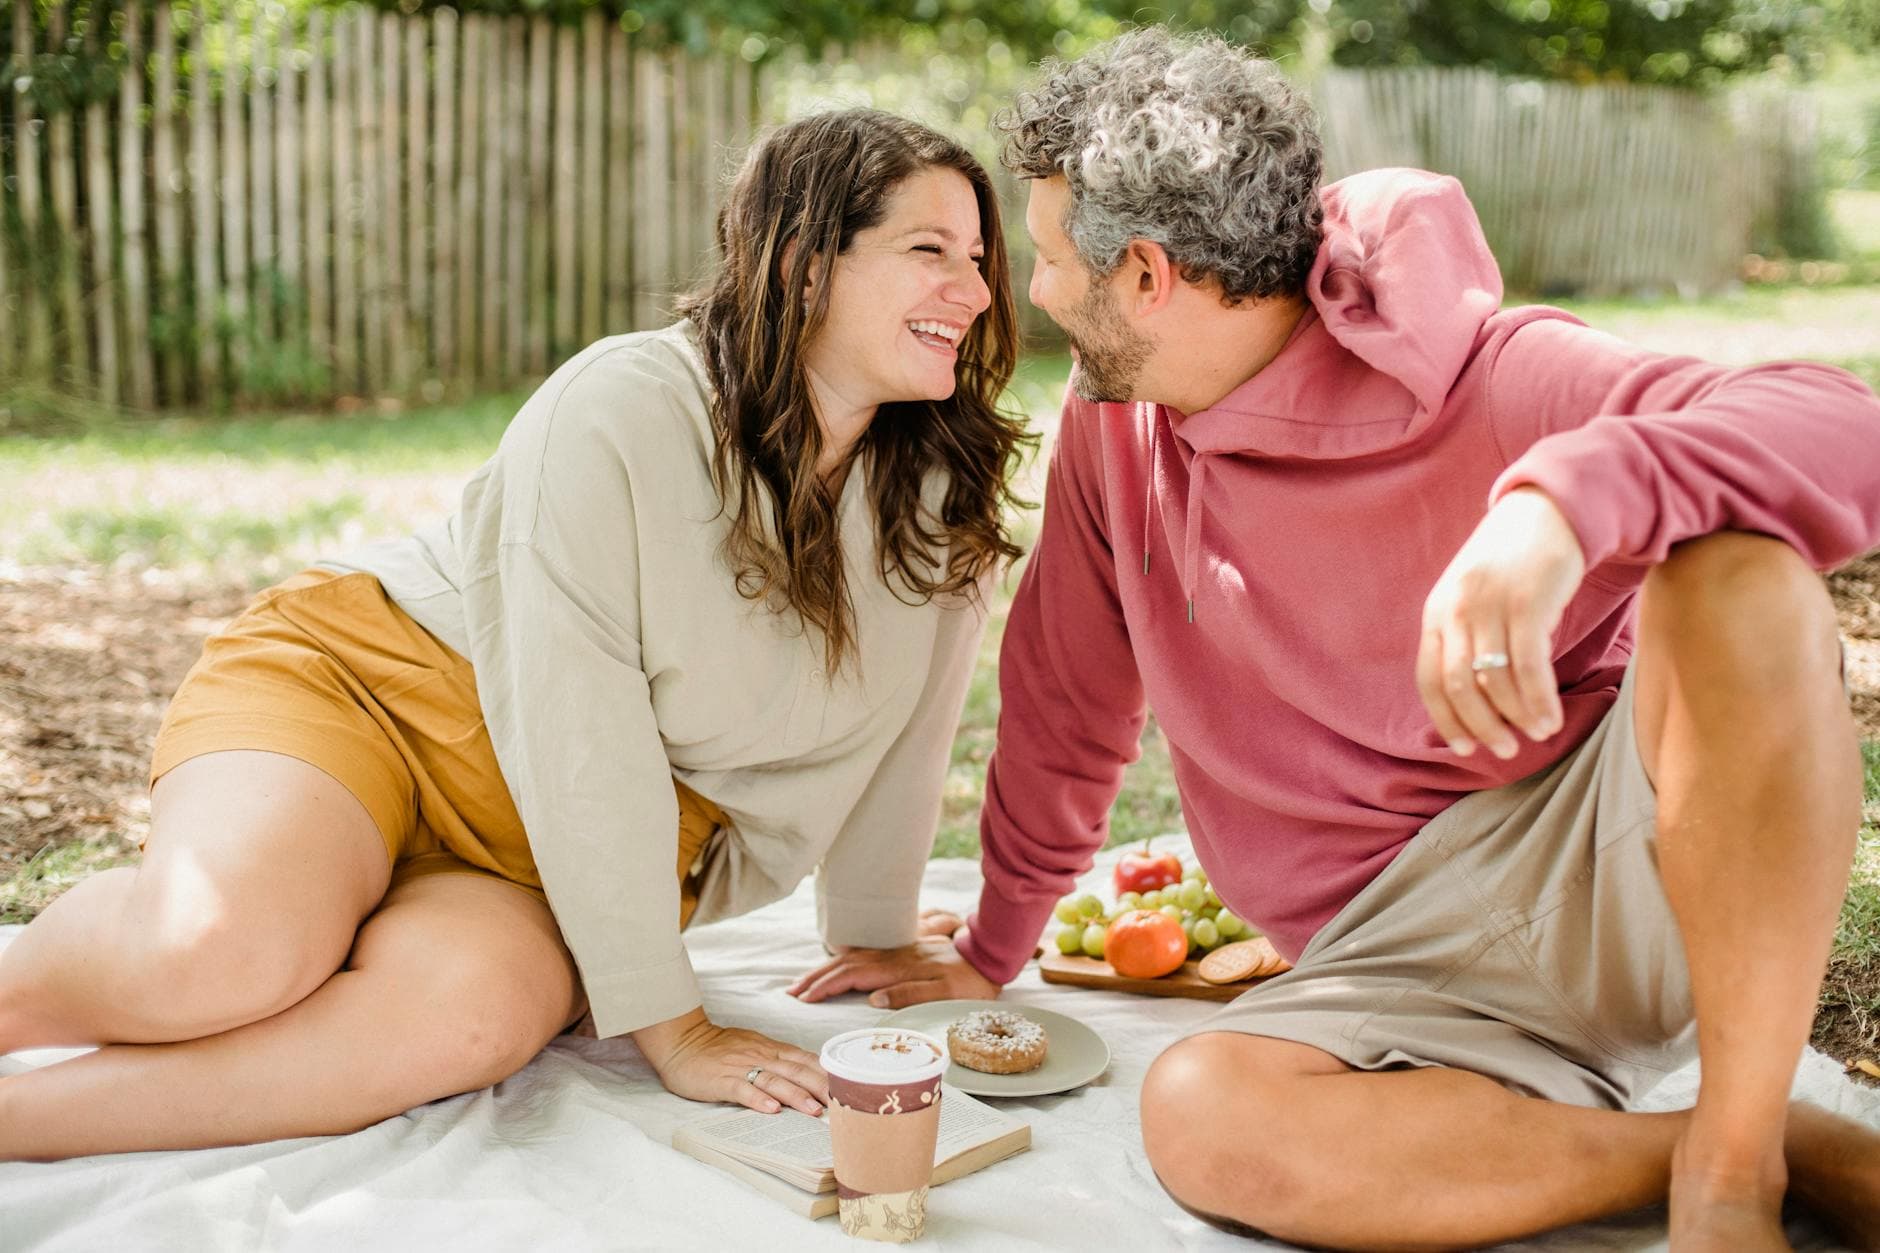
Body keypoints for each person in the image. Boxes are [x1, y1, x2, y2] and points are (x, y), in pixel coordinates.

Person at [790, 30, 1880, 1251]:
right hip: (1392, 971)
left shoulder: (1491, 373)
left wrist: (1556, 507)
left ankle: (1727, 1179)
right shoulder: (1114, 430)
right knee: (1203, 1114)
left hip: (1621, 867)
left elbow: (1842, 420)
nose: (1028, 292)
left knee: (1738, 572)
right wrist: (996, 943)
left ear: (1144, 273)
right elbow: (1065, 693)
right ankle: (1779, 1146)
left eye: (1046, 256)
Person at [0, 108, 1030, 1160]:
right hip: (376, 694)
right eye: (928, 252)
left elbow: (910, 727)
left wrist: (870, 929)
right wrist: (669, 1025)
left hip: (548, 853)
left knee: (475, 1021)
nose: (978, 291)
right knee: (220, 954)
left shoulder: (939, 499)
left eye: (980, 258)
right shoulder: (621, 406)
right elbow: (573, 716)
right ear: (806, 265)